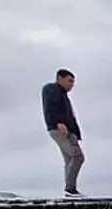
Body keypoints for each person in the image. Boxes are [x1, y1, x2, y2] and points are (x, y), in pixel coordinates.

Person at [41, 68, 85, 198]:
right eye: (69, 81)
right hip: (60, 129)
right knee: (77, 157)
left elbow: (69, 115)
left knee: (69, 159)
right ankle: (70, 189)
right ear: (60, 78)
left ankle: (70, 190)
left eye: (73, 82)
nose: (72, 85)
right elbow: (50, 107)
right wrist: (58, 122)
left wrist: (76, 133)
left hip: (66, 130)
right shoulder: (52, 89)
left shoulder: (63, 94)